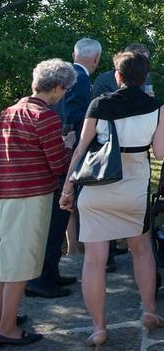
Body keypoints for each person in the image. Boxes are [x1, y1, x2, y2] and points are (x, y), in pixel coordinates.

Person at [59, 51, 164, 347]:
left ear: (117, 76)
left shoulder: (99, 104)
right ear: (144, 77)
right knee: (142, 251)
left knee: (95, 260)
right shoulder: (157, 107)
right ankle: (149, 311)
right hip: (133, 187)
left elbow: (80, 150)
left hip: (98, 184)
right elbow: (159, 153)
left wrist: (68, 189)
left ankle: (98, 327)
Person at [0, 59, 77, 346]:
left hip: (6, 193)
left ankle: (4, 316)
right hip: (30, 196)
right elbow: (57, 164)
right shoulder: (45, 117)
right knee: (19, 265)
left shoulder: (8, 112)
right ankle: (7, 328)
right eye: (64, 89)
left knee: (5, 262)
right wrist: (68, 144)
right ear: (57, 88)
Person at [28, 37, 102, 299]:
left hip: (51, 153)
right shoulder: (79, 78)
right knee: (57, 217)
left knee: (57, 220)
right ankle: (42, 277)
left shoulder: (70, 75)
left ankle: (50, 273)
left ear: (74, 53)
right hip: (62, 154)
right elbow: (73, 116)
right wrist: (73, 139)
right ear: (96, 59)